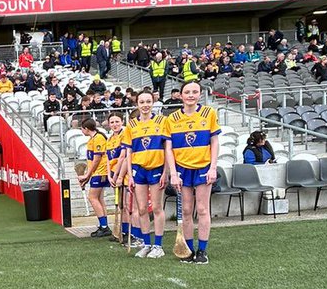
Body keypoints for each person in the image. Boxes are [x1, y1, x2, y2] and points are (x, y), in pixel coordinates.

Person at [164, 81, 221, 264]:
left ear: (200, 94)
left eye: (194, 91)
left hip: (203, 167)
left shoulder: (208, 113)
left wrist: (213, 167)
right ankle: (187, 250)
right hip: (182, 169)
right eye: (187, 92)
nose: (191, 95)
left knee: (203, 209)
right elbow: (169, 148)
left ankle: (202, 250)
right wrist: (173, 172)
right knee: (187, 211)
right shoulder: (171, 119)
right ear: (180, 95)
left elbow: (215, 142)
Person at [115, 90, 167, 258]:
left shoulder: (162, 121)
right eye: (142, 102)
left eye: (148, 101)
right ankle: (146, 244)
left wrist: (165, 172)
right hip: (139, 170)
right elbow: (128, 152)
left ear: (153, 103)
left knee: (157, 208)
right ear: (137, 104)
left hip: (157, 168)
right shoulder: (131, 125)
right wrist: (129, 175)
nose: (145, 105)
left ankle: (158, 246)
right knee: (142, 209)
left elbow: (168, 149)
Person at [78, 118, 112, 237]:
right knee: (99, 198)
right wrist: (87, 176)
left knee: (92, 197)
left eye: (82, 128)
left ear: (86, 128)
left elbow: (97, 159)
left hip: (100, 172)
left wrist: (88, 175)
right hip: (97, 172)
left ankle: (104, 226)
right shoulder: (92, 139)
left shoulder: (98, 138)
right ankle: (103, 225)